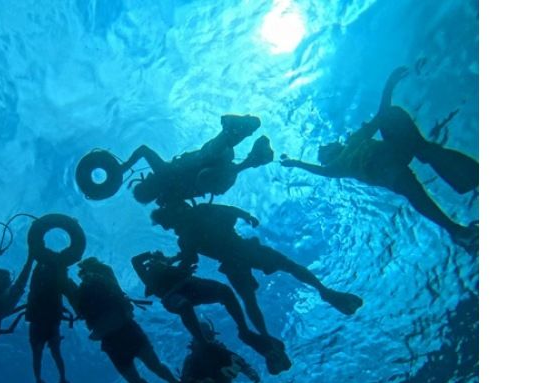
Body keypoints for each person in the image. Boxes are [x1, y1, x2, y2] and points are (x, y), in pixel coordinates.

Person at [280, 66, 478, 250]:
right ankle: (457, 231)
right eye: (323, 150)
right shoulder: (337, 166)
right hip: (388, 172)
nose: (326, 145)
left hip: (395, 152)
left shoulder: (356, 139)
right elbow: (320, 171)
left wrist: (389, 85)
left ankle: (452, 169)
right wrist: (296, 163)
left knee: (392, 115)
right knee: (415, 193)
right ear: (328, 157)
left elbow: (381, 116)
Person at [151, 202, 363, 337]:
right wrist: (246, 216)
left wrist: (173, 268)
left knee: (254, 295)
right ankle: (322, 291)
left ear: (170, 216)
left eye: (166, 224)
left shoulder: (189, 231)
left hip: (236, 257)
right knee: (285, 270)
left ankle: (266, 333)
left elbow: (189, 262)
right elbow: (228, 212)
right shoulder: (191, 228)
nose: (168, 228)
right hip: (242, 252)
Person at [131, 250, 291, 375]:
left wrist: (178, 261)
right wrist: (153, 256)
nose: (158, 262)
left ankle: (244, 331)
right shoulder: (147, 274)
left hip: (192, 286)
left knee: (225, 291)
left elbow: (188, 261)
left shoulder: (172, 268)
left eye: (160, 260)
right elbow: (136, 260)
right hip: (173, 296)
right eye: (154, 262)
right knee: (184, 305)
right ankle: (203, 342)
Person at [66, 257, 180, 383]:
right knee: (152, 367)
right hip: (124, 332)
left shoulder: (94, 283)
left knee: (139, 375)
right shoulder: (102, 279)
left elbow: (82, 312)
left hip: (115, 339)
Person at [119, 114, 275, 206]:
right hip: (216, 174)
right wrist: (123, 168)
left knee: (208, 156)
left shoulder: (162, 174)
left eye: (147, 188)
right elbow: (143, 150)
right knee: (208, 168)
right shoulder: (170, 198)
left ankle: (236, 133)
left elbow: (143, 150)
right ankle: (251, 156)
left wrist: (122, 169)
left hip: (216, 161)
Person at [23, 259, 79, 383]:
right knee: (55, 352)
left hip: (38, 320)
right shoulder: (57, 277)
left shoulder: (40, 272)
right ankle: (60, 381)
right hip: (52, 320)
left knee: (38, 354)